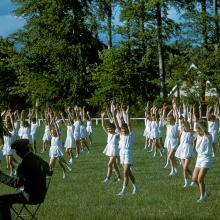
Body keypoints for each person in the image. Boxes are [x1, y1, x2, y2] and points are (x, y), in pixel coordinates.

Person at [0, 139, 51, 220]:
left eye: (17, 151)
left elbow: (16, 184)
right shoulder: (38, 159)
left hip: (30, 196)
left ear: (19, 152)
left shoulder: (23, 165)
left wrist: (1, 176)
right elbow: (49, 170)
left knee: (1, 200)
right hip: (41, 195)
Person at [192, 119, 212, 203]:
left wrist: (200, 126)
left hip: (206, 159)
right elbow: (191, 132)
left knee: (200, 179)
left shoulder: (208, 135)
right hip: (199, 158)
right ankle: (205, 191)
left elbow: (204, 131)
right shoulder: (197, 135)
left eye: (198, 128)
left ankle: (202, 197)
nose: (197, 130)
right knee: (194, 179)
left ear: (202, 128)